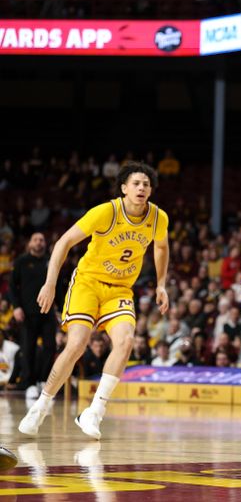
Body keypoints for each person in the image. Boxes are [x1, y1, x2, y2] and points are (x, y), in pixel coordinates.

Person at [19, 162, 170, 440]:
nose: (141, 188)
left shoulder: (158, 218)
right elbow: (64, 242)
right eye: (136, 183)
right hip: (88, 283)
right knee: (77, 343)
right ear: (124, 188)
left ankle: (94, 412)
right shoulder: (106, 212)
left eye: (146, 184)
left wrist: (161, 284)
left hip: (121, 290)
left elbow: (161, 247)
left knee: (125, 342)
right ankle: (40, 406)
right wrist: (50, 283)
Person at [9, 233, 57, 396]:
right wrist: (16, 307)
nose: (39, 243)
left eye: (42, 240)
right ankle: (29, 383)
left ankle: (43, 381)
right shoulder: (21, 261)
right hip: (28, 313)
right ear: (30, 243)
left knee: (50, 346)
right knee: (28, 348)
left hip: (48, 312)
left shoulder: (50, 261)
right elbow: (12, 287)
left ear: (45, 243)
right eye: (35, 240)